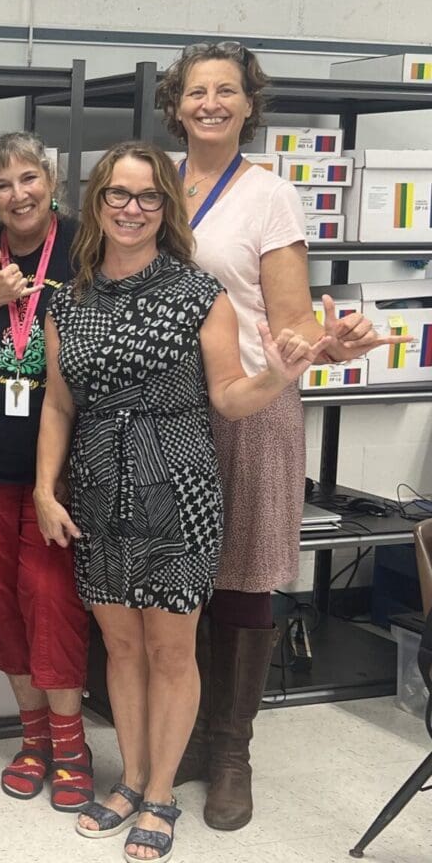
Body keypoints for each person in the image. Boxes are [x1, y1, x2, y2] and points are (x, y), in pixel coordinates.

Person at [35, 143, 325, 862]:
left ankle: (161, 792)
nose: (132, 209)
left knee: (170, 651)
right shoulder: (67, 304)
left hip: (181, 487)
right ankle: (129, 780)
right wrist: (44, 488)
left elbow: (229, 396)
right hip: (99, 491)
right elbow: (59, 407)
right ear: (97, 202)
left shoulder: (200, 293)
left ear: (166, 209)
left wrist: (278, 378)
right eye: (118, 195)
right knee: (122, 647)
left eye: (149, 197)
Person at [154, 42, 405, 831]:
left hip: (252, 402)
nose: (212, 104)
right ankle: (185, 734)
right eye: (198, 91)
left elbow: (293, 319)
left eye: (227, 91)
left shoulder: (270, 195)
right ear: (176, 104)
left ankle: (231, 750)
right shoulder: (152, 182)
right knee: (175, 576)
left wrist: (332, 342)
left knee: (243, 575)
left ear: (249, 104)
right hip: (166, 406)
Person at [0, 132, 94, 812]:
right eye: (2, 185)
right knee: (2, 602)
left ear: (52, 181)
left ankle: (71, 742)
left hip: (63, 468)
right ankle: (31, 737)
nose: (18, 195)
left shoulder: (85, 248)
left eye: (29, 179)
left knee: (50, 598)